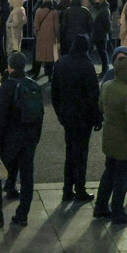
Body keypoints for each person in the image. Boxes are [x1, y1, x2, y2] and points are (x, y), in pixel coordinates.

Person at [0, 52, 43, 226]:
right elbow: (40, 115)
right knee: (27, 176)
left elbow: (1, 118)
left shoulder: (7, 87)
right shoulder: (33, 85)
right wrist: (36, 138)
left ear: (10, 67)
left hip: (11, 138)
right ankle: (22, 215)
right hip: (29, 137)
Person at [94, 53, 127, 225]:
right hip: (125, 142)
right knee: (121, 179)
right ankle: (118, 212)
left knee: (108, 174)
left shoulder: (107, 85)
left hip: (110, 139)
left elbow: (101, 106)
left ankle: (100, 207)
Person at [50, 36, 100, 203]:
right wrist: (97, 118)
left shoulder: (61, 64)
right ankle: (80, 188)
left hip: (68, 115)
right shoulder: (87, 66)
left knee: (70, 151)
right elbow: (94, 96)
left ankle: (67, 189)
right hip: (84, 116)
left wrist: (60, 114)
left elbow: (54, 93)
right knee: (81, 153)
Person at [32, 0, 59, 79]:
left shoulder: (39, 11)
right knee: (50, 56)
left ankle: (36, 73)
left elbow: (36, 25)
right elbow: (56, 26)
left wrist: (36, 33)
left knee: (39, 55)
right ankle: (50, 75)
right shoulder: (54, 12)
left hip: (41, 36)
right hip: (51, 36)